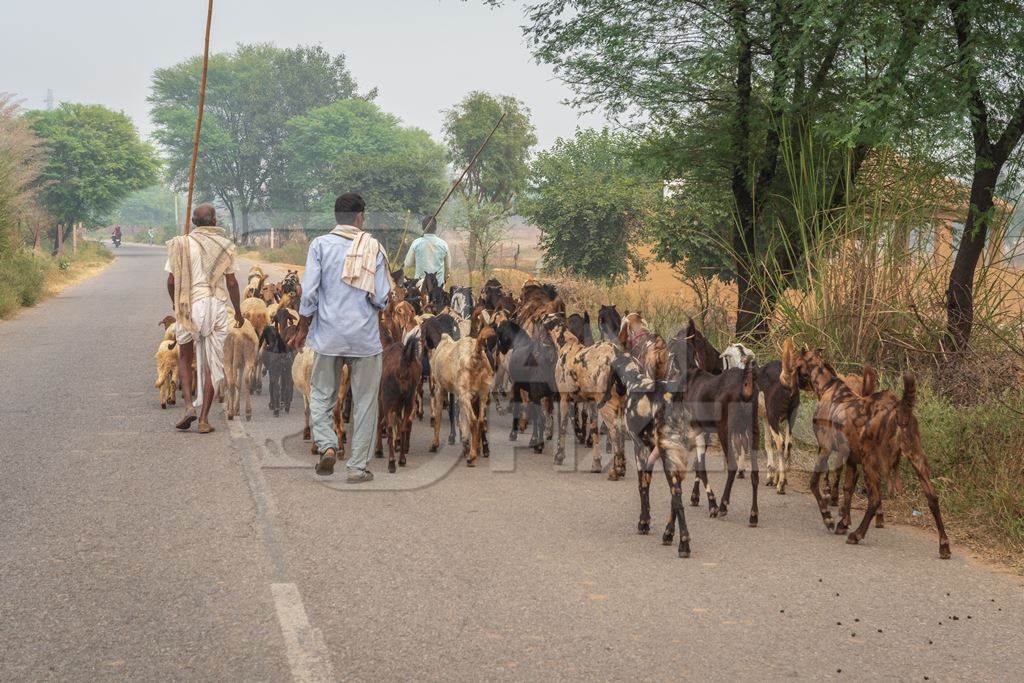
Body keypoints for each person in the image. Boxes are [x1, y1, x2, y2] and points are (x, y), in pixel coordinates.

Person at [290, 193, 392, 481]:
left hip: (328, 336)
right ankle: (358, 468)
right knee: (365, 401)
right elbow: (381, 298)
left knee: (321, 395)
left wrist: (302, 327)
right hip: (364, 339)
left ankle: (327, 445)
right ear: (360, 217)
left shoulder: (319, 245)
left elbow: (308, 293)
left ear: (336, 217)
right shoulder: (373, 248)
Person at [165, 204, 244, 434]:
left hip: (188, 306)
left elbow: (171, 281)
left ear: (193, 221)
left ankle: (188, 405)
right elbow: (231, 283)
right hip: (215, 306)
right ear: (214, 221)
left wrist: (175, 303)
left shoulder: (180, 243)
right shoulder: (224, 245)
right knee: (212, 363)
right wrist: (237, 311)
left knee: (185, 355)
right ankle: (203, 419)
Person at [404, 216, 451, 286]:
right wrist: (444, 279)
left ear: (423, 228)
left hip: (420, 287)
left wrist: (419, 259)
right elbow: (448, 268)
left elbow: (408, 264)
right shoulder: (443, 244)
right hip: (438, 287)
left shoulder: (416, 243)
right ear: (436, 228)